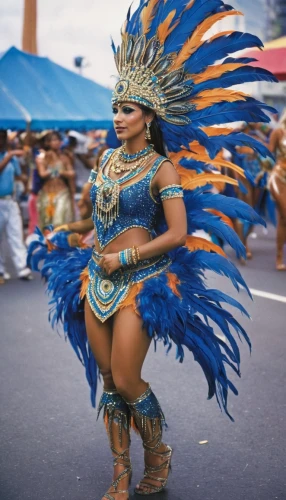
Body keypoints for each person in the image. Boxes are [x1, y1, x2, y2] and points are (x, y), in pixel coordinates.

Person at [28, 2, 276, 499]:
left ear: (148, 117)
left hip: (143, 279)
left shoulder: (162, 169)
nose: (118, 117)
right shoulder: (104, 161)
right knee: (107, 380)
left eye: (128, 110)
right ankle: (121, 470)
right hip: (96, 276)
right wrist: (67, 231)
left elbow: (177, 233)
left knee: (126, 376)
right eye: (115, 108)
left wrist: (126, 258)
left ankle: (157, 454)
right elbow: (99, 221)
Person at [0, 130, 32, 283]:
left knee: (16, 234)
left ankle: (22, 268)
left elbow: (18, 175)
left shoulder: (11, 157)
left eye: (3, 138)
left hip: (10, 200)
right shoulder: (9, 156)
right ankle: (0, 270)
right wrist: (10, 155)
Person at [36, 132, 75, 229]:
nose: (56, 142)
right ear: (48, 143)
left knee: (60, 221)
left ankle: (59, 243)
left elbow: (72, 173)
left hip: (62, 192)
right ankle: (48, 244)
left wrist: (62, 172)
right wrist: (52, 169)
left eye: (58, 140)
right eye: (53, 140)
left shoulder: (64, 157)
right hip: (47, 193)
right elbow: (42, 174)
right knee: (46, 223)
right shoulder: (42, 158)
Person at [268, 110, 286, 270]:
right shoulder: (278, 132)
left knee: (283, 220)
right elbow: (267, 154)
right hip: (279, 178)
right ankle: (279, 257)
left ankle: (280, 256)